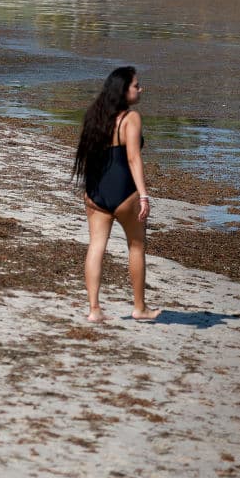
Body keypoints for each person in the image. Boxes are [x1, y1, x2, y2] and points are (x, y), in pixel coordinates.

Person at [73, 66, 161, 323]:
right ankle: (139, 308)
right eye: (136, 86)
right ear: (123, 91)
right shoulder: (131, 118)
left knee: (96, 246)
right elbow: (133, 158)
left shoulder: (95, 115)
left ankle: (94, 309)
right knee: (136, 245)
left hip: (95, 191)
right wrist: (143, 195)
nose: (141, 89)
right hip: (124, 192)